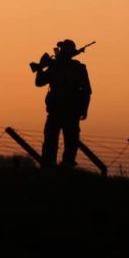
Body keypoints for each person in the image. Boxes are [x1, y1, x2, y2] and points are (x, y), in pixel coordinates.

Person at [34, 39, 92, 167]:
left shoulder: (61, 67)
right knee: (64, 141)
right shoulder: (75, 67)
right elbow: (87, 91)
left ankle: (55, 167)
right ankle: (59, 167)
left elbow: (87, 91)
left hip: (63, 111)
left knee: (61, 141)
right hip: (65, 111)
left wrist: (40, 67)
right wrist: (40, 67)